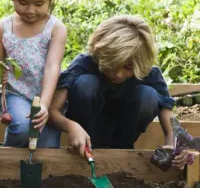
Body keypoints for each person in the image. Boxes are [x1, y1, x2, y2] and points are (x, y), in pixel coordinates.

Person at [43, 15, 188, 169]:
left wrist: (174, 146)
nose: (118, 74)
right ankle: (87, 149)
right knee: (86, 84)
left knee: (149, 95)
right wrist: (72, 127)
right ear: (100, 55)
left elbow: (169, 118)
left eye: (128, 67)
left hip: (124, 134)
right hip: (86, 135)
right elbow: (51, 112)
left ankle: (123, 152)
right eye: (112, 65)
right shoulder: (84, 64)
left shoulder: (148, 73)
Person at [0, 0, 67, 148]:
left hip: (48, 94)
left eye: (39, 4)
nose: (30, 10)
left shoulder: (55, 29)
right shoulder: (2, 29)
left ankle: (36, 175)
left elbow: (51, 67)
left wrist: (46, 106)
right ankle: (7, 164)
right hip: (16, 94)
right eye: (23, 2)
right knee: (23, 128)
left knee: (47, 148)